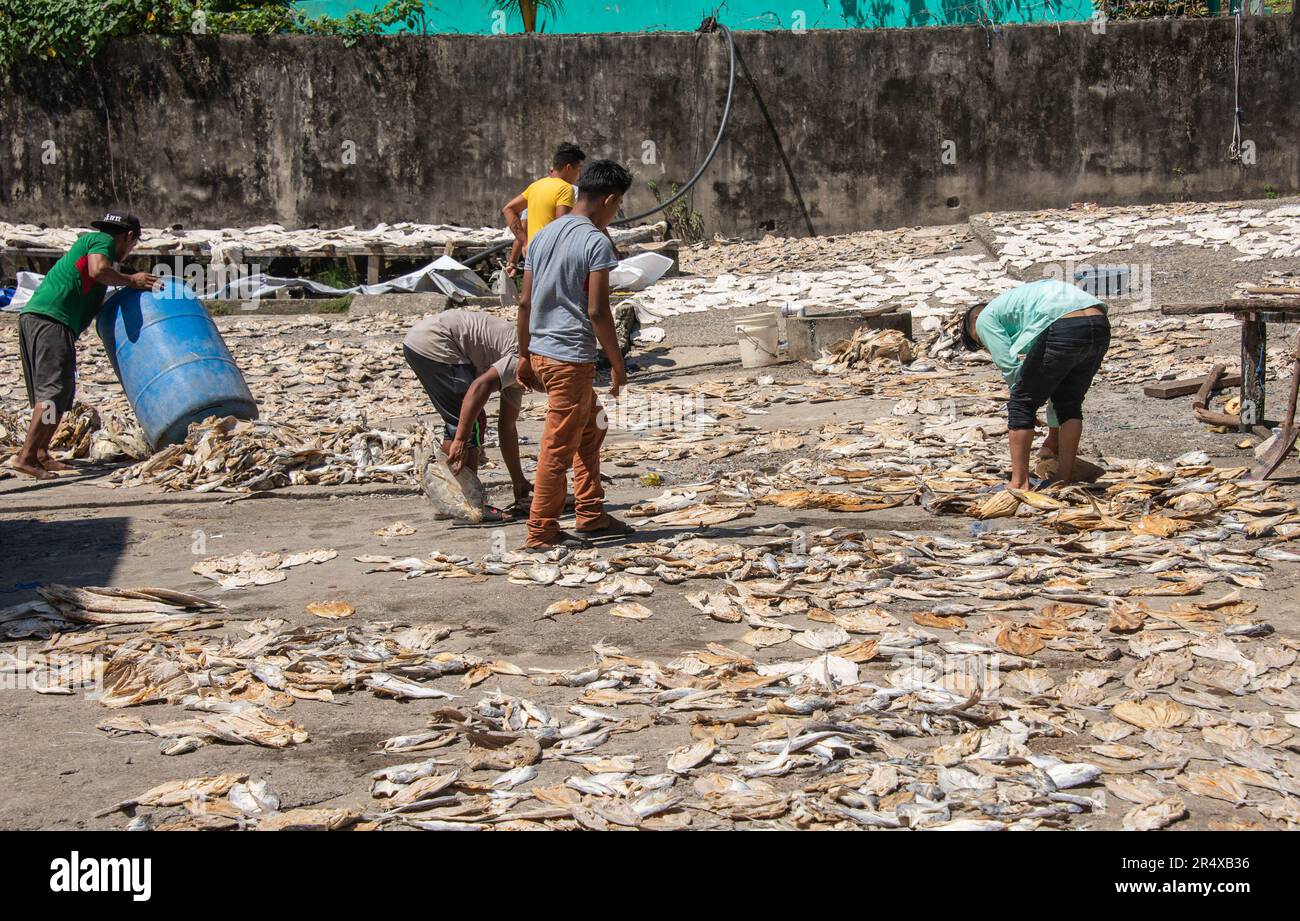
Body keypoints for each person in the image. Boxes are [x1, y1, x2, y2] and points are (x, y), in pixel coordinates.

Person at [517, 159, 634, 549]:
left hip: (541, 352)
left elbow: (524, 301)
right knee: (557, 446)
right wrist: (617, 365)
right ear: (610, 199)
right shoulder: (595, 242)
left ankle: (591, 513)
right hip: (570, 358)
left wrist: (523, 355)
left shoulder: (542, 236)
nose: (614, 215)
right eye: (617, 208)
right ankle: (541, 531)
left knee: (593, 426)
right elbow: (599, 311)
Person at [13, 211, 157, 479]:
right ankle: (26, 456)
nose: (131, 250)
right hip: (51, 319)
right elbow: (98, 270)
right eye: (134, 243)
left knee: (60, 393)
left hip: (50, 321)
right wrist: (131, 280)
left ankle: (42, 453)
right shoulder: (101, 241)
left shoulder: (99, 250)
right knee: (52, 391)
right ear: (128, 236)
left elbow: (98, 275)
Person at [961, 278, 1110, 489]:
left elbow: (1010, 368)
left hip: (1063, 322)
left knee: (1021, 403)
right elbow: (1053, 381)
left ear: (974, 320)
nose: (987, 347)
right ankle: (1063, 478)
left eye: (980, 342)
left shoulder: (984, 318)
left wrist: (1024, 402)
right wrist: (1052, 434)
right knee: (1069, 403)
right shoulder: (1022, 311)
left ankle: (1019, 482)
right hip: (1098, 322)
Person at [403, 308, 531, 514]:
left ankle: (450, 502)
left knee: (457, 421)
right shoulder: (522, 362)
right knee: (471, 419)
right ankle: (470, 505)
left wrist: (518, 479)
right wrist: (462, 440)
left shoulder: (522, 378)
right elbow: (478, 388)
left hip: (418, 341)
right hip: (437, 341)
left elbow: (507, 427)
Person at [501, 142, 586, 277]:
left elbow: (508, 209)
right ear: (569, 168)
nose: (579, 175)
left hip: (533, 254)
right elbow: (562, 226)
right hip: (552, 256)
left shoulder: (535, 186)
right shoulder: (566, 188)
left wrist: (525, 243)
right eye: (579, 169)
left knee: (529, 297)